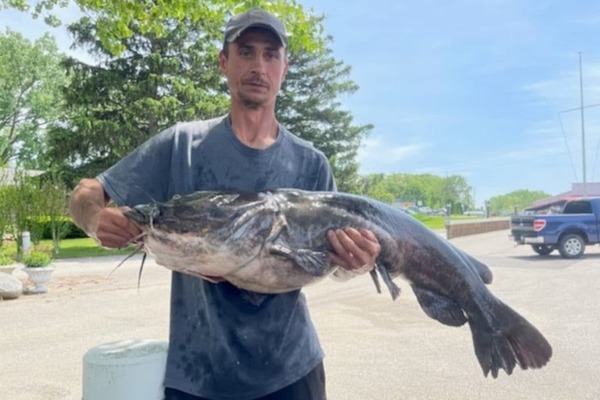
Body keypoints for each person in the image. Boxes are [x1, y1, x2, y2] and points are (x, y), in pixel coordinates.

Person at [69, 8, 380, 400]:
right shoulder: (181, 146)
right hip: (197, 376)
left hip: (291, 373)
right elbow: (85, 193)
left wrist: (358, 263)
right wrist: (95, 220)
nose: (258, 66)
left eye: (270, 54)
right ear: (223, 62)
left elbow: (330, 267)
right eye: (246, 52)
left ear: (285, 67)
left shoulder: (311, 164)